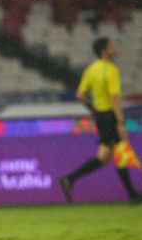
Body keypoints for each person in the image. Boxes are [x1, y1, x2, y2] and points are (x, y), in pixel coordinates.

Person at [60, 38, 141, 204]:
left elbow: (80, 95)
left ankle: (70, 178)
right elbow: (114, 97)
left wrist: (93, 109)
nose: (114, 48)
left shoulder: (91, 70)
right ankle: (132, 195)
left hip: (100, 116)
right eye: (111, 46)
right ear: (104, 50)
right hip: (110, 116)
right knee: (118, 153)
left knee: (105, 156)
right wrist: (120, 122)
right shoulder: (111, 69)